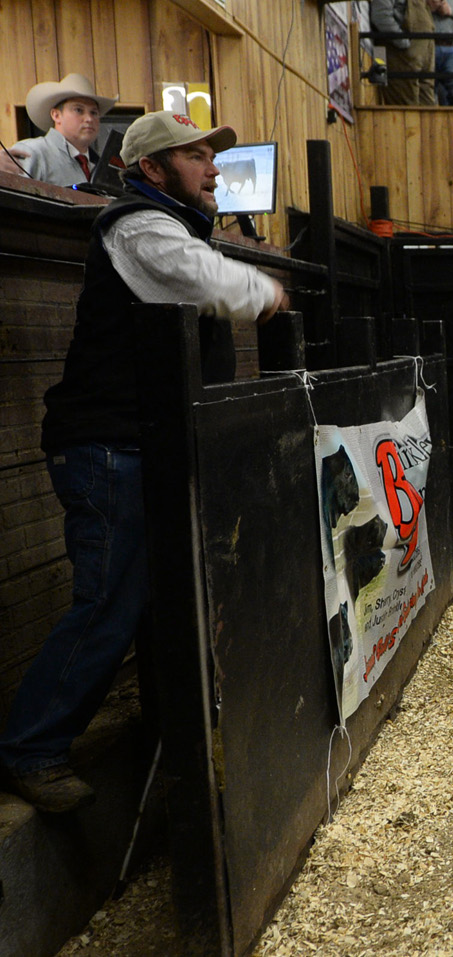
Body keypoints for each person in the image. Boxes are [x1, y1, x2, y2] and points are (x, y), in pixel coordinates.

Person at [0, 112, 289, 813]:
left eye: (210, 157)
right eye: (195, 157)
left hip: (136, 443)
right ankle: (31, 747)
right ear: (152, 169)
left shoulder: (170, 221)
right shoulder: (138, 226)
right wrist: (267, 292)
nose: (214, 168)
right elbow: (206, 280)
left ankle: (159, 730)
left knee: (144, 596)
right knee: (109, 600)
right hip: (108, 444)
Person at [0, 73, 116, 187]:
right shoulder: (31, 152)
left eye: (94, 113)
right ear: (56, 115)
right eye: (79, 110)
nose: (89, 119)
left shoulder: (102, 168)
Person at [372, 0, 437, 105]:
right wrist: (403, 42)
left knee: (428, 110)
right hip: (402, 59)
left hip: (425, 58)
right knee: (407, 110)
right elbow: (380, 15)